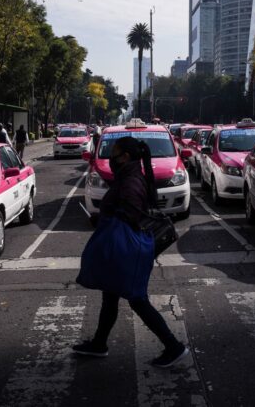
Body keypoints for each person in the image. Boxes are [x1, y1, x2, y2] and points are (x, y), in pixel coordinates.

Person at [72, 136, 188, 368]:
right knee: (110, 296)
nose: (111, 158)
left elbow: (132, 215)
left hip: (127, 249)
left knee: (137, 300)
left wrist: (106, 216)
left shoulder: (131, 181)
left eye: (114, 153)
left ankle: (173, 346)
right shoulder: (128, 176)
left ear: (125, 156)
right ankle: (99, 343)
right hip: (123, 247)